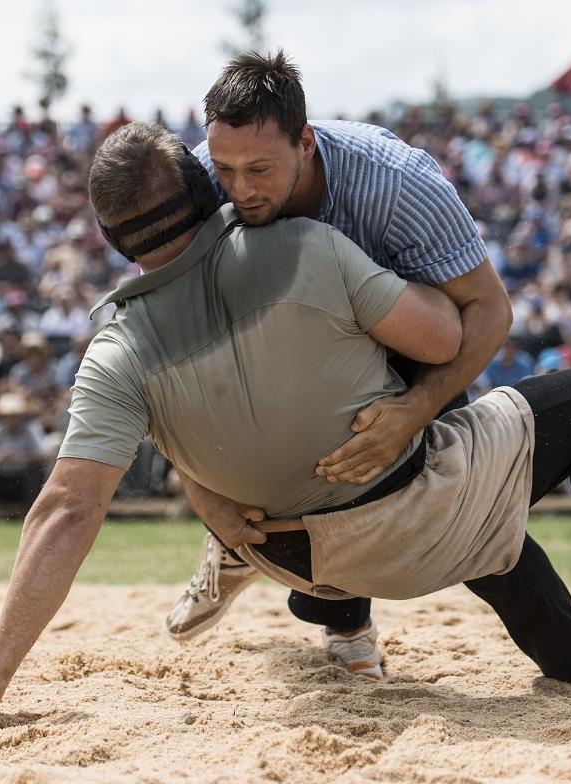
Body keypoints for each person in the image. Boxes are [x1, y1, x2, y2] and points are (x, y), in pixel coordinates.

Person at [0, 123, 571, 729]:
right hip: (419, 515)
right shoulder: (306, 245)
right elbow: (453, 335)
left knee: (348, 452)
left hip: (291, 552)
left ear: (115, 244)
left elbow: (65, 512)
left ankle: (386, 638)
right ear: (208, 186)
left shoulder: (112, 351)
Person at [167, 52, 514, 677]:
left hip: (406, 351)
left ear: (306, 141)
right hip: (260, 354)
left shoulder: (398, 182)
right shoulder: (195, 183)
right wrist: (204, 492)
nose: (239, 188)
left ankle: (568, 644)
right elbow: (148, 342)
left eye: (260, 169)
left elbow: (489, 309)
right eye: (226, 168)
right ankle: (303, 593)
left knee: (452, 506)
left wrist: (415, 409)